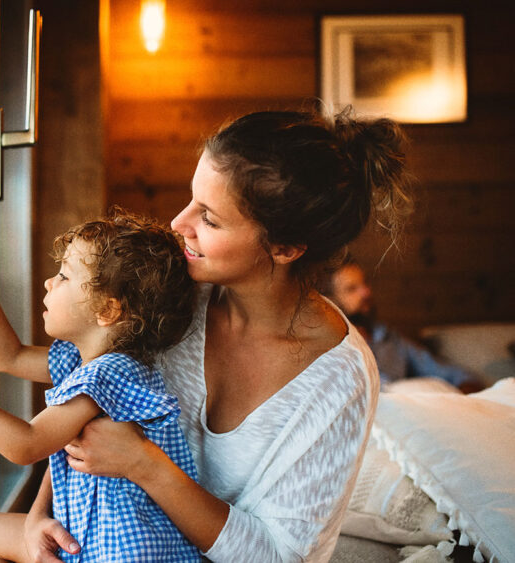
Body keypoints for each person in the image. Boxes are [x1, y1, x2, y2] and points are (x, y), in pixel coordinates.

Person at [20, 108, 415, 562]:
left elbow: (280, 556)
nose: (177, 223)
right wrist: (39, 517)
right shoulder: (170, 296)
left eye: (208, 218)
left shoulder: (340, 380)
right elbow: (89, 391)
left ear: (285, 248)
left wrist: (147, 466)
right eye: (192, 199)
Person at [0, 212, 201, 562]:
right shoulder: (88, 361)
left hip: (117, 552)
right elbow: (9, 357)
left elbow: (25, 445)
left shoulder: (109, 374)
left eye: (63, 276)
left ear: (106, 310)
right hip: (90, 533)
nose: (48, 282)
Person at [325, 258, 483, 393]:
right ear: (330, 299)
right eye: (352, 289)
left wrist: (465, 395)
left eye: (365, 283)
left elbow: (451, 373)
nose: (366, 292)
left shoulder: (387, 337)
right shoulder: (328, 347)